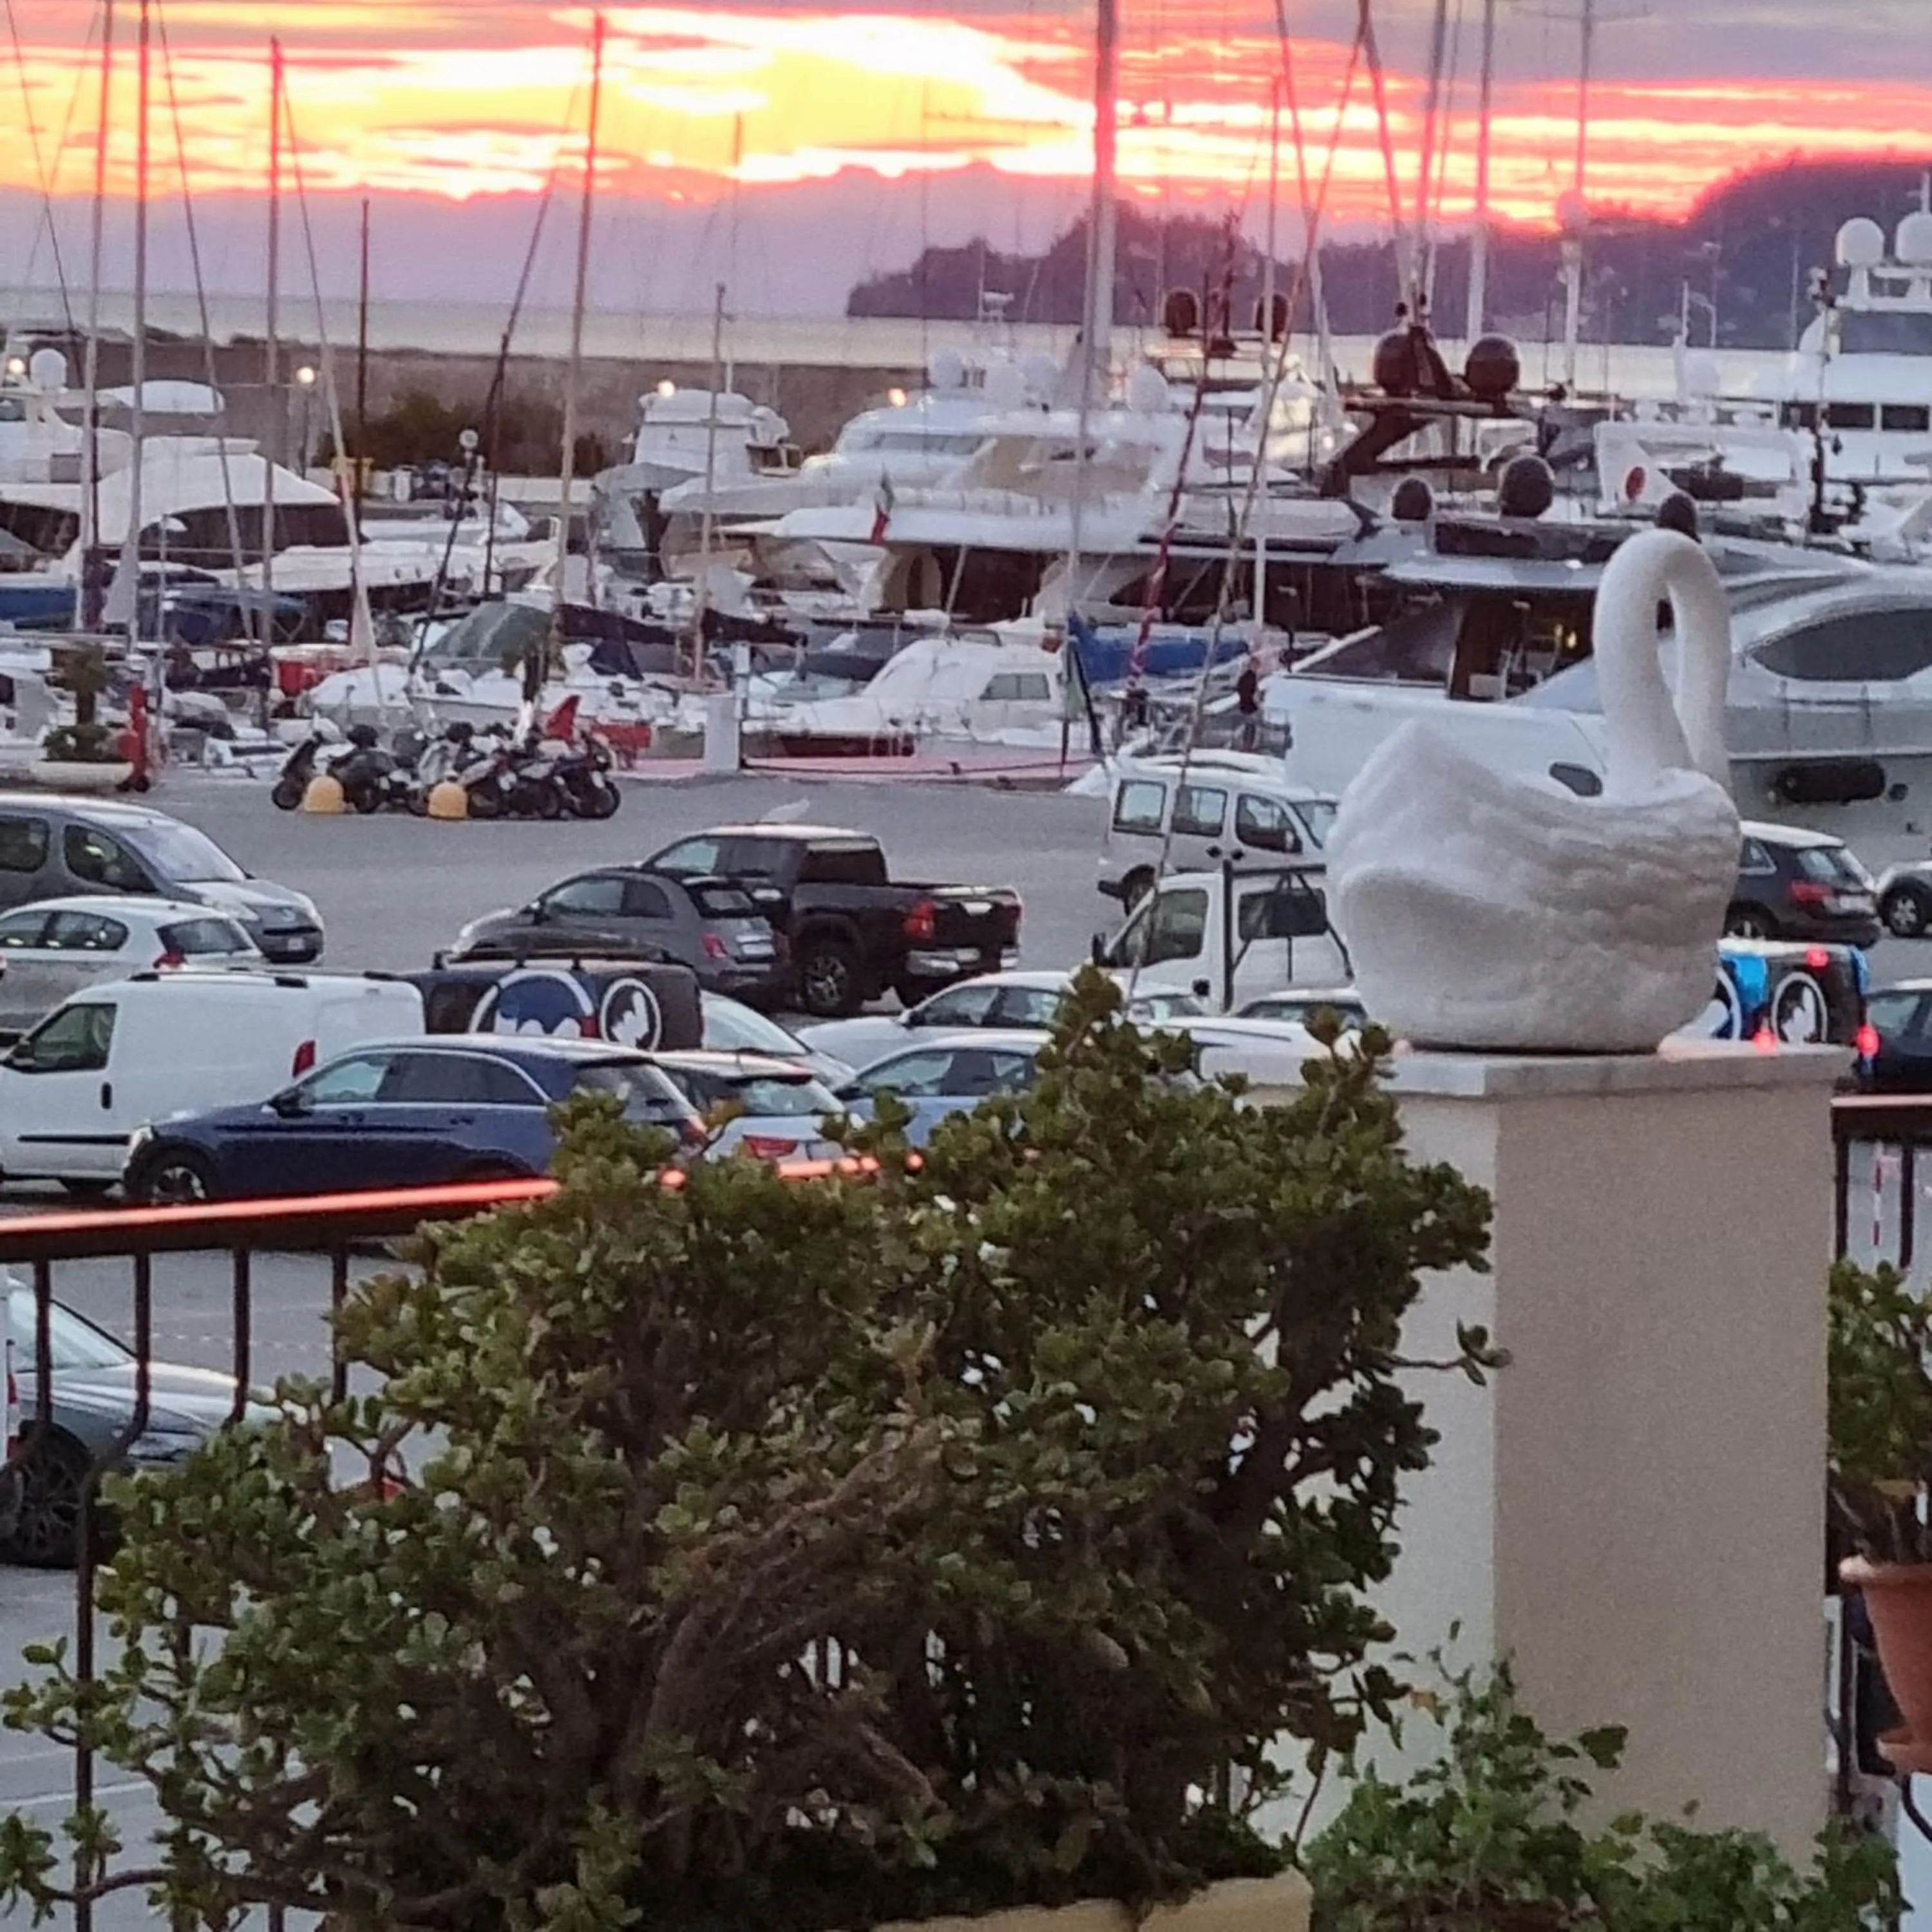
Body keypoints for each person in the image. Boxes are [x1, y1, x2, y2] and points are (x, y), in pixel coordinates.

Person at [1235, 656, 1261, 751]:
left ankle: (1247, 744)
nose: (1257, 668)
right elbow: (1248, 691)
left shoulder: (1249, 676)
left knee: (1250, 725)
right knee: (1250, 726)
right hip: (1249, 705)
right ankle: (1247, 745)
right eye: (1256, 665)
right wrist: (1254, 700)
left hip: (1247, 705)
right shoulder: (1249, 677)